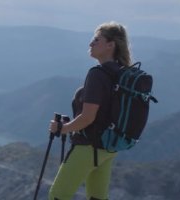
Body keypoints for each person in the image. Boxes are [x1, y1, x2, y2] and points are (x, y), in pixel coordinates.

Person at [48, 21, 132, 200]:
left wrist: (62, 128)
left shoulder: (97, 74)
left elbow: (87, 117)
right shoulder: (122, 73)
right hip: (108, 148)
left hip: (88, 147)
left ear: (110, 45)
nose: (91, 43)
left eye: (96, 40)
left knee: (57, 195)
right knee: (97, 198)